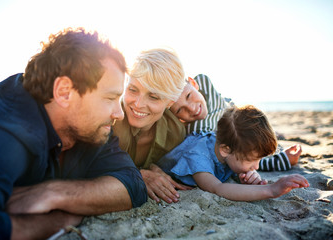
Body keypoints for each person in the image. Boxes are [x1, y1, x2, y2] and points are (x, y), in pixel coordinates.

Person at [0, 28, 147, 240]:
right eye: (110, 98)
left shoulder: (90, 125)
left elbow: (133, 186)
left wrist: (54, 193)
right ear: (64, 92)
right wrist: (59, 222)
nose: (119, 114)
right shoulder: (5, 132)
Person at [157, 105, 309, 201]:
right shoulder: (198, 157)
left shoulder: (231, 151)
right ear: (225, 150)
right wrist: (271, 189)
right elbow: (218, 189)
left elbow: (241, 168)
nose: (256, 166)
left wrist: (248, 180)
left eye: (259, 159)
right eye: (250, 160)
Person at [170, 74, 302, 171]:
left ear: (193, 84)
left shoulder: (203, 82)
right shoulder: (199, 134)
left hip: (230, 111)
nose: (192, 108)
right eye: (180, 110)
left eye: (188, 96)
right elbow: (243, 155)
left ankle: (277, 134)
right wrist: (281, 160)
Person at [113, 48, 192, 204]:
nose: (138, 104)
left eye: (154, 97)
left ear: (170, 102)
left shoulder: (175, 134)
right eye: (133, 89)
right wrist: (138, 174)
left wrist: (153, 168)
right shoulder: (110, 119)